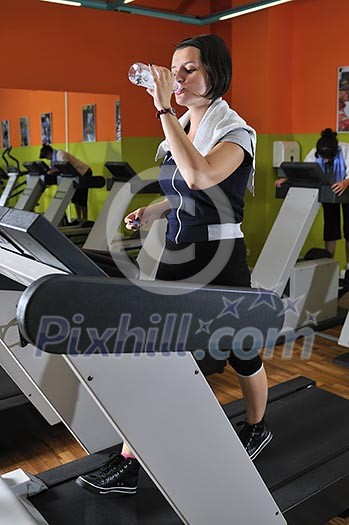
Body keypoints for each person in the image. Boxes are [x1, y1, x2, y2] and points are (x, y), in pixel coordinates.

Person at [76, 34, 272, 496]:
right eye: (174, 68)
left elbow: (201, 175)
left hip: (221, 260)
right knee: (155, 354)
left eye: (190, 69)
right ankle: (131, 460)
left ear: (215, 75)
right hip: (179, 253)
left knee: (243, 353)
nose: (178, 78)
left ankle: (258, 427)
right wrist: (155, 211)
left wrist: (163, 109)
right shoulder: (184, 124)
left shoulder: (235, 132)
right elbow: (184, 190)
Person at [276, 129, 349, 267]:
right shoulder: (314, 153)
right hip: (330, 190)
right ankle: (329, 265)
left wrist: (345, 182)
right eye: (323, 157)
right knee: (330, 227)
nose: (326, 160)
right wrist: (286, 179)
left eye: (329, 157)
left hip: (347, 188)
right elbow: (304, 172)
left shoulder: (346, 150)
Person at [39, 144, 92, 222]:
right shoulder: (55, 158)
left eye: (47, 157)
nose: (48, 159)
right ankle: (79, 218)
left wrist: (52, 171)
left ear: (49, 153)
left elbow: (66, 166)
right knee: (75, 199)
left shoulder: (61, 154)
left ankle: (85, 219)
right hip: (74, 175)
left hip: (84, 172)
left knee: (82, 198)